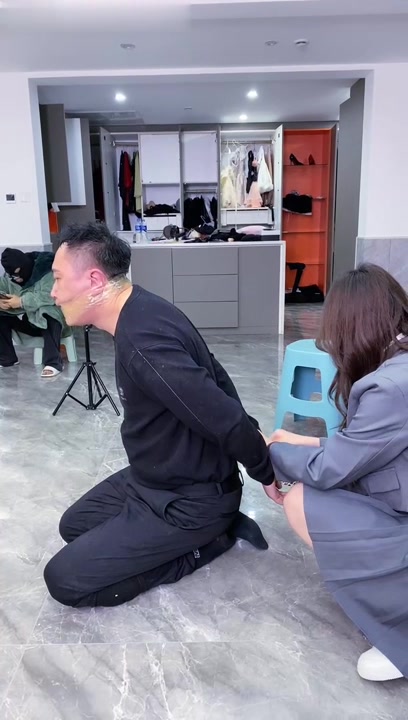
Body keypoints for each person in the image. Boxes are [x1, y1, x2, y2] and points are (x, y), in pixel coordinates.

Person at [44, 222, 279, 608]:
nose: (53, 292)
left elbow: (222, 416)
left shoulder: (144, 342)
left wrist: (264, 469)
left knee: (64, 581)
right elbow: (216, 375)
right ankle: (196, 529)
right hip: (152, 479)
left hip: (191, 501)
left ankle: (210, 540)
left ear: (94, 280)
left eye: (57, 279)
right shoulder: (142, 306)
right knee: (74, 526)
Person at [264, 264, 408, 682]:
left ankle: (396, 616)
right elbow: (366, 447)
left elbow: (331, 470)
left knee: (301, 499)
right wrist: (295, 441)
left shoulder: (388, 387)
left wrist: (271, 453)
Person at [0, 248, 65, 377]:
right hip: (29, 321)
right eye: (13, 276)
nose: (17, 278)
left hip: (55, 323)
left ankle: (53, 363)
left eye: (18, 273)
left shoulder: (47, 271)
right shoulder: (10, 277)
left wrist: (21, 302)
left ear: (25, 265)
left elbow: (49, 295)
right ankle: (7, 358)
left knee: (47, 311)